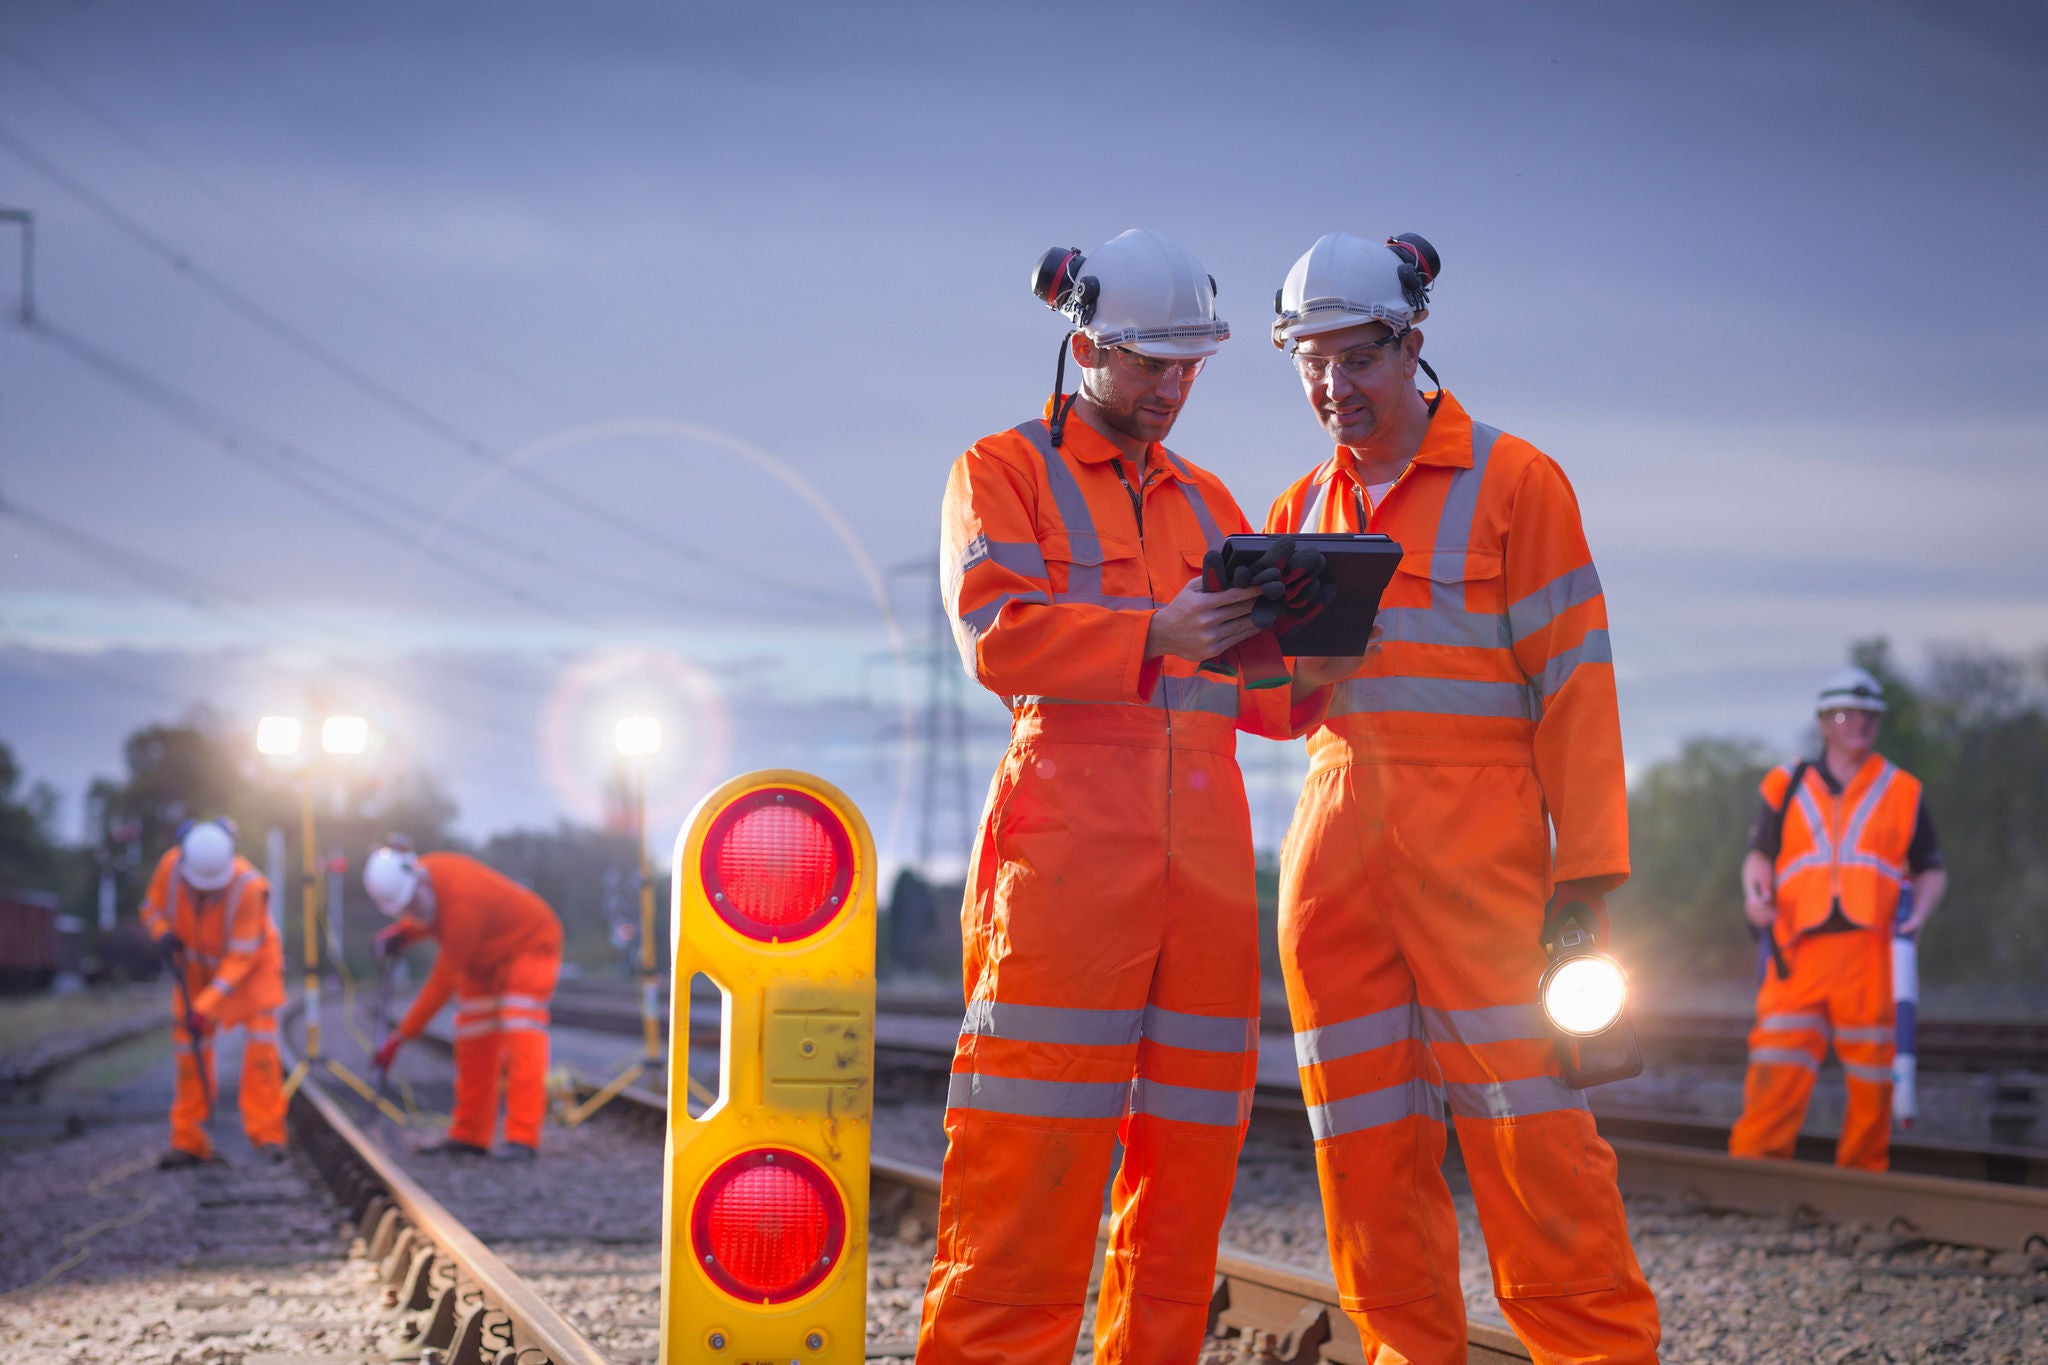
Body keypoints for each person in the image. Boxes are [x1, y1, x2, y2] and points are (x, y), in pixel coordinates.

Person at [917, 228, 1351, 1365]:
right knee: (1025, 1170)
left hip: (1201, 878)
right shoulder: (1002, 471)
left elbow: (1256, 703)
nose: (1171, 390)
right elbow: (996, 636)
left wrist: (1308, 653)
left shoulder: (1209, 502)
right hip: (1065, 870)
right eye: (1149, 366)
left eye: (1187, 369)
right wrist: (1150, 633)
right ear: (1085, 345)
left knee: (1188, 1175)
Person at [1263, 231, 1660, 1363]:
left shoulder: (1514, 483)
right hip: (1334, 858)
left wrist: (1584, 878)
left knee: (1533, 1141)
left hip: (1481, 857)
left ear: (1411, 346)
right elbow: (1275, 708)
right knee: (1361, 1152)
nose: (1332, 387)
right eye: (1308, 362)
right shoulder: (1293, 513)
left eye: (1355, 359)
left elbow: (1576, 690)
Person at [1730, 665, 1946, 1171]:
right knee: (1776, 1062)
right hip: (1795, 951)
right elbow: (1759, 855)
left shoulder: (1903, 791)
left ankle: (1861, 1179)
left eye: (1869, 715)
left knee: (1874, 1072)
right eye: (1846, 714)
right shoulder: (1785, 783)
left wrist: (1920, 919)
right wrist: (1753, 893)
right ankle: (1752, 1172)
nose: (1860, 724)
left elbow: (1932, 869)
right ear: (1824, 722)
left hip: (1869, 952)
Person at [364, 840, 563, 1159]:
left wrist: (401, 1035)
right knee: (473, 1037)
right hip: (483, 956)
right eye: (405, 909)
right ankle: (470, 1136)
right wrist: (403, 933)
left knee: (520, 1030)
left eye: (411, 903)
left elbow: (444, 979)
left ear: (418, 881)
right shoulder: (426, 876)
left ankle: (522, 1138)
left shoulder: (462, 905)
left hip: (530, 944)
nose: (412, 911)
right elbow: (429, 914)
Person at [138, 818, 287, 1166]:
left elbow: (240, 957)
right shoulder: (170, 867)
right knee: (190, 1052)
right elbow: (150, 908)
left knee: (261, 1053)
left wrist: (203, 1007)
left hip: (252, 974)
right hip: (193, 971)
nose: (204, 892)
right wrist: (162, 933)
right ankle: (190, 1140)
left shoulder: (250, 887)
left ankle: (267, 1136)